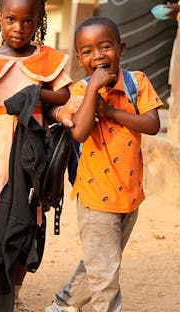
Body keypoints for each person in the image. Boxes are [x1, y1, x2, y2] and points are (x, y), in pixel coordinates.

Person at [46, 16, 163, 312]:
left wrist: (109, 111)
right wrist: (92, 91)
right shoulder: (79, 92)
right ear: (78, 58)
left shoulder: (137, 83)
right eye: (87, 51)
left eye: (105, 47)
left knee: (102, 263)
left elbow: (152, 124)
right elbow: (80, 131)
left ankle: (63, 305)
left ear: (121, 48)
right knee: (106, 274)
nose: (97, 55)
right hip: (96, 198)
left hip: (129, 195)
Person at [0, 0, 72, 311]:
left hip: (31, 151)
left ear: (39, 20)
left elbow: (63, 95)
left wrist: (33, 95)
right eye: (11, 19)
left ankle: (12, 294)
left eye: (28, 20)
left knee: (26, 221)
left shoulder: (48, 59)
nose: (18, 27)